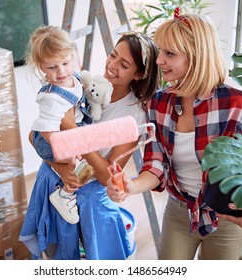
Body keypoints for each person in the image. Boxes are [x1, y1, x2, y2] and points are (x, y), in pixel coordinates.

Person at [106, 8, 242, 260]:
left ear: (197, 56)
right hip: (179, 212)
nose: (158, 61)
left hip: (224, 220)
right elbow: (156, 165)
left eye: (169, 54)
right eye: (160, 52)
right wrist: (131, 185)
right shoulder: (158, 104)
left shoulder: (237, 104)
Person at [19, 31, 160, 260]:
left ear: (139, 74)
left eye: (123, 64)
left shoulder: (132, 116)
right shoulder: (87, 86)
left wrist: (72, 132)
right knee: (55, 255)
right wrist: (62, 168)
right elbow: (33, 137)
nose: (112, 65)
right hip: (53, 182)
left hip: (87, 202)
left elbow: (107, 177)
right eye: (112, 55)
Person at [25, 25, 94, 225]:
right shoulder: (51, 97)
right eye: (52, 67)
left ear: (73, 56)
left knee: (88, 165)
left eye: (65, 63)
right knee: (82, 168)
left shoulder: (75, 78)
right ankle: (64, 195)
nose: (61, 71)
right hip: (50, 142)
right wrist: (71, 152)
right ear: (40, 66)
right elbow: (48, 132)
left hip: (65, 134)